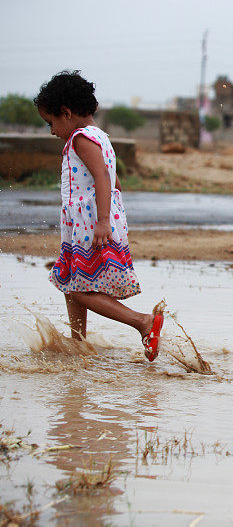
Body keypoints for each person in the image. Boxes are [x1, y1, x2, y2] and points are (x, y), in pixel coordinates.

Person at [34, 70, 164, 360]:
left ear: (66, 113)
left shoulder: (80, 139)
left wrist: (104, 221)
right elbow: (114, 181)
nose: (52, 131)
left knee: (78, 288)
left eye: (50, 122)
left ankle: (142, 322)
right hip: (85, 223)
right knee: (71, 281)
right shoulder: (100, 136)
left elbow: (103, 178)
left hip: (90, 224)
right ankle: (78, 343)